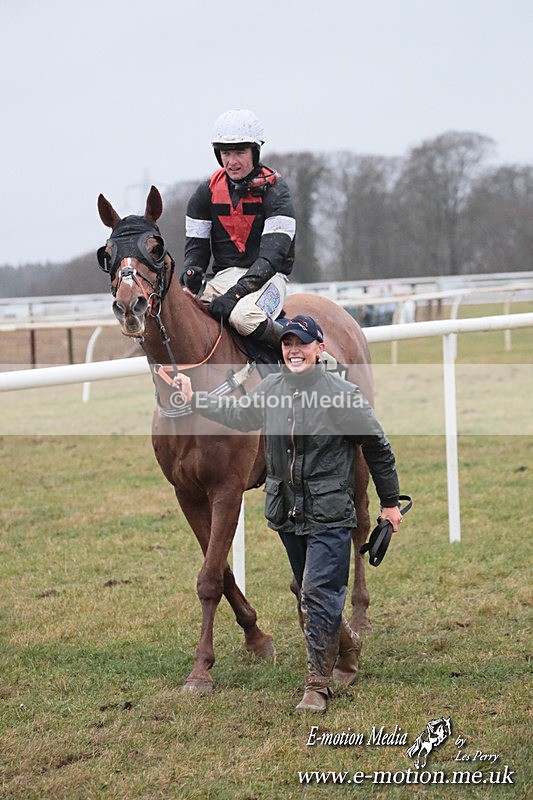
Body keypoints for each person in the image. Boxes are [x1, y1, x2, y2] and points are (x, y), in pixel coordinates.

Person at [175, 315, 403, 713]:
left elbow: (378, 448)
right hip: (289, 513)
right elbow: (239, 415)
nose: (294, 351)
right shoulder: (272, 388)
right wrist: (195, 399)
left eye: (302, 344)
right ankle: (348, 647)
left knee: (316, 594)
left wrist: (389, 504)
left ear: (320, 348)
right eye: (287, 344)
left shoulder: (342, 395)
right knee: (308, 590)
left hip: (330, 513)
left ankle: (317, 685)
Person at [180, 109, 296, 350]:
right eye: (226, 153)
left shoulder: (276, 191)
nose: (232, 162)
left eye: (240, 152)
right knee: (180, 313)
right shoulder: (205, 193)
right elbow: (196, 251)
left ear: (255, 152)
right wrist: (191, 272)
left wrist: (234, 295)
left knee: (244, 317)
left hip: (269, 279)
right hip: (223, 278)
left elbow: (272, 258)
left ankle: (306, 355)